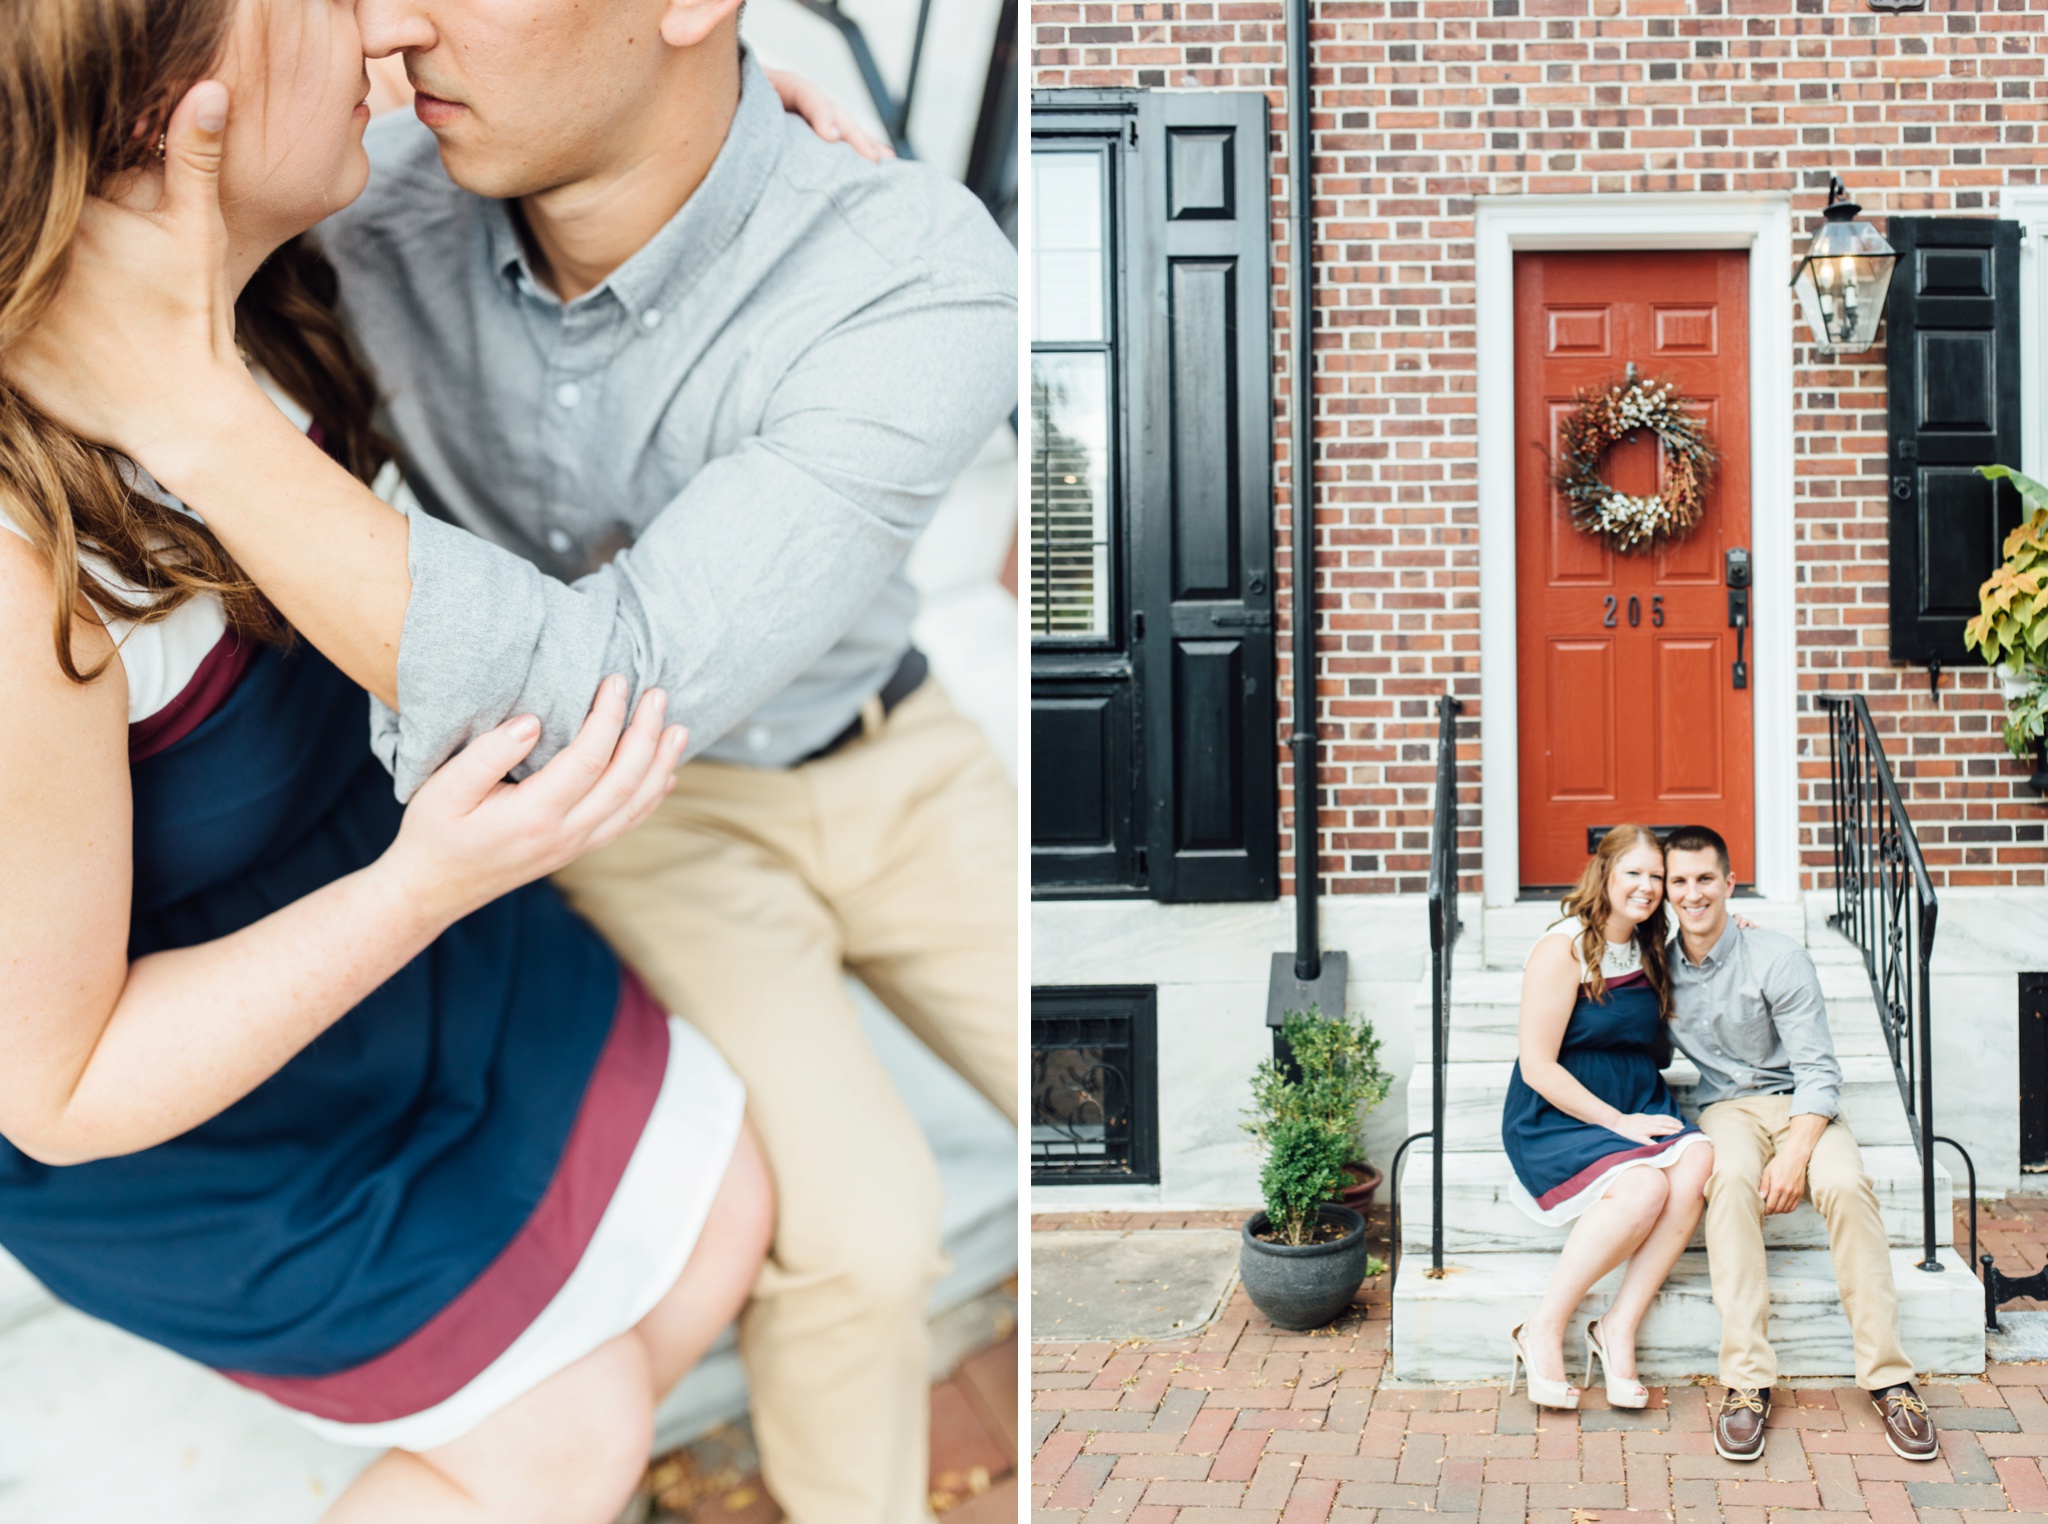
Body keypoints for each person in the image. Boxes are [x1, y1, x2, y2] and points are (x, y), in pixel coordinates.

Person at [5, 0, 1019, 1519]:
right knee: (746, 1312)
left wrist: (708, 136)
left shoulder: (290, 267)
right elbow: (60, 1085)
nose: (387, 35)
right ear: (163, 122)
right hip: (472, 900)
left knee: (837, 1172)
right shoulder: (348, 220)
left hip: (769, 776)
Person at [1661, 824, 1938, 1465]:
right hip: (1727, 1108)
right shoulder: (1659, 967)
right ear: (1668, 891)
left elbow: (1819, 1072)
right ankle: (1747, 1381)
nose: (1694, 893)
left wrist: (1794, 1155)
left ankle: (1890, 1378)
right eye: (1681, 881)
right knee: (1727, 1183)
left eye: (1706, 879)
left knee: (1842, 1184)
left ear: (1731, 884)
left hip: (1799, 1105)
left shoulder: (1778, 956)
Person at [1501, 825, 1715, 1411]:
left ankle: (1618, 1325)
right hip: (1560, 1109)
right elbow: (1538, 1066)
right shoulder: (1563, 946)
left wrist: (1735, 928)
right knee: (1644, 1185)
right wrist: (1617, 1123)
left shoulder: (1652, 943)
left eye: (1656, 877)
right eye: (1634, 873)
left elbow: (1706, 943)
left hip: (1636, 1095)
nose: (1647, 888)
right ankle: (1544, 1326)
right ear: (1605, 873)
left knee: (1698, 1160)